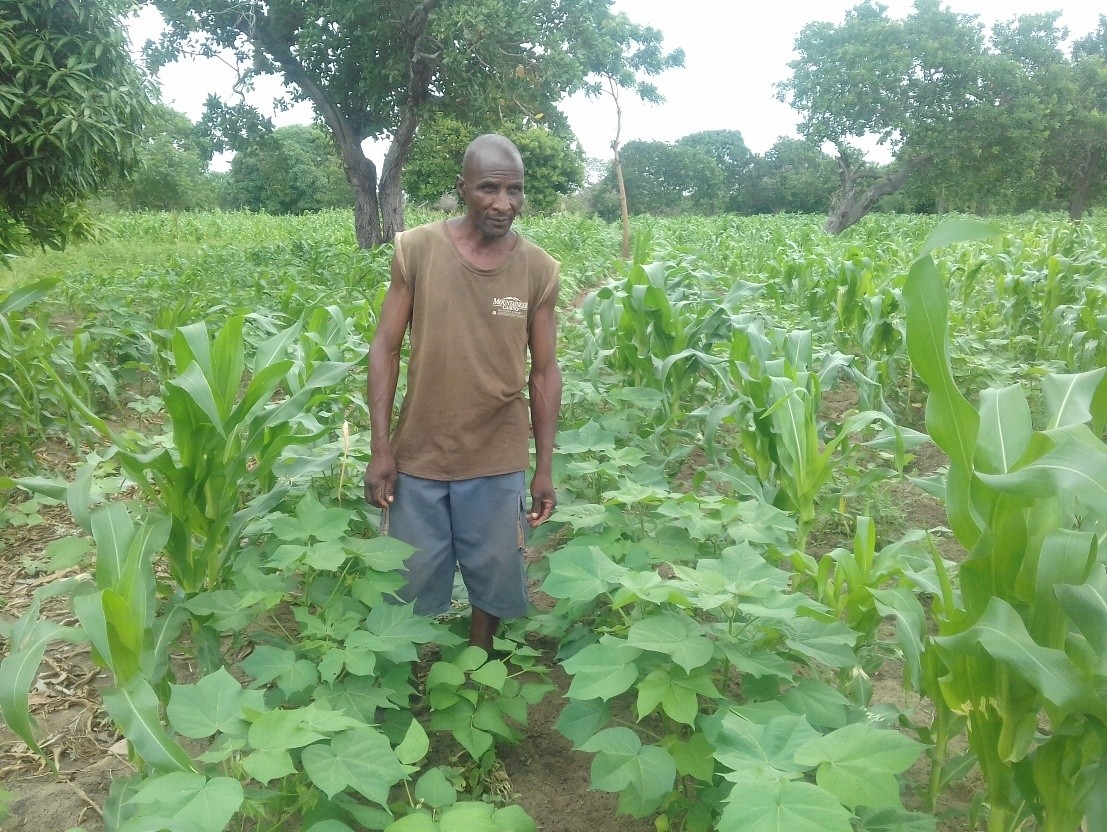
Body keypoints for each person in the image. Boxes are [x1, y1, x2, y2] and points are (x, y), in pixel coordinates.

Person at [364, 133, 563, 653]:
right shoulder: (418, 250)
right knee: (408, 576)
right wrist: (381, 446)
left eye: (515, 190)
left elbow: (544, 373)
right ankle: (403, 671)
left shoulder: (538, 269)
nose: (504, 204)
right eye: (489, 188)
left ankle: (478, 663)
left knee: (494, 568)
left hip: (496, 451)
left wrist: (543, 466)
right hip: (419, 450)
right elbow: (384, 349)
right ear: (463, 188)